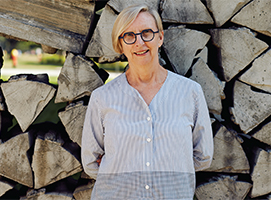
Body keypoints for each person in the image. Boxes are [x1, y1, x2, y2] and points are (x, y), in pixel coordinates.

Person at [81, 4, 213, 200]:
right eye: (129, 36)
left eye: (146, 33)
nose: (139, 42)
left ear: (160, 37)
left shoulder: (190, 93)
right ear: (120, 45)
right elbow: (91, 162)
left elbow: (203, 156)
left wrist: (167, 168)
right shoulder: (103, 98)